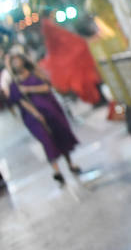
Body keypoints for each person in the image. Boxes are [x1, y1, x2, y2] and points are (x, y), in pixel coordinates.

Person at [2, 50, 82, 184]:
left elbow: (47, 87)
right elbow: (20, 101)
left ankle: (70, 164)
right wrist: (36, 114)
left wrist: (29, 90)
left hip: (51, 109)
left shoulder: (35, 74)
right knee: (47, 141)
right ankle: (57, 171)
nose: (16, 63)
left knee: (60, 135)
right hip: (32, 117)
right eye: (13, 62)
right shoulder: (14, 84)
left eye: (18, 60)